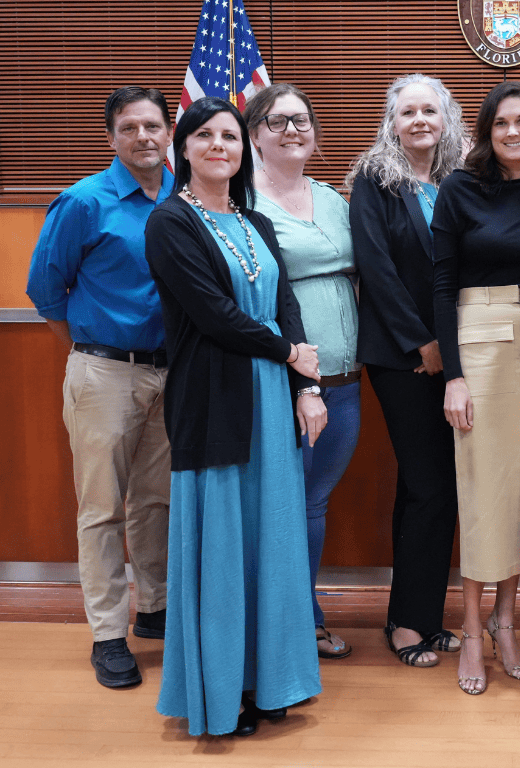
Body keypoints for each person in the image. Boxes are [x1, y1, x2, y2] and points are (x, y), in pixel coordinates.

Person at [145, 96, 324, 737]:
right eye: (205, 136)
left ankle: (270, 681)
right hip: (214, 400)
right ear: (183, 147)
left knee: (269, 541)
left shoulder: (255, 221)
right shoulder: (170, 223)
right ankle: (225, 692)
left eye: (230, 135)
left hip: (270, 399)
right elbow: (211, 312)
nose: (220, 145)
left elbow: (285, 300)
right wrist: (287, 351)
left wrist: (305, 376)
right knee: (223, 546)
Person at [26, 86, 173, 689]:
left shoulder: (183, 199)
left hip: (172, 372)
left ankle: (154, 609)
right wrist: (93, 350)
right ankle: (108, 634)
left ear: (170, 134)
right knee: (102, 509)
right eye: (130, 127)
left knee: (157, 500)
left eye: (154, 126)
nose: (144, 137)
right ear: (111, 137)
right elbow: (45, 291)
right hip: (104, 371)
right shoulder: (83, 202)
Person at [432, 81, 520, 695]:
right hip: (479, 341)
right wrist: (455, 375)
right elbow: (440, 287)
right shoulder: (459, 190)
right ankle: (468, 628)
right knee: (482, 487)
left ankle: (505, 621)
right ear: (486, 133)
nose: (513, 133)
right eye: (500, 124)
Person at [348, 74, 465, 668]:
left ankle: (418, 613)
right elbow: (376, 268)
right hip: (403, 358)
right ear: (391, 122)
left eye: (430, 110)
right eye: (407, 111)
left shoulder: (461, 180)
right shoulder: (374, 181)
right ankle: (406, 625)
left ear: (446, 118)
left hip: (461, 357)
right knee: (430, 486)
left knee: (436, 489)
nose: (419, 120)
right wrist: (423, 344)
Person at [246, 83, 359, 661]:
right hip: (286, 383)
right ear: (254, 135)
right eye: (277, 120)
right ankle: (279, 625)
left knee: (313, 503)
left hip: (346, 383)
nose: (292, 129)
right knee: (277, 503)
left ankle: (305, 612)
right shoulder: (243, 202)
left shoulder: (335, 201)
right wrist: (300, 382)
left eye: (301, 120)